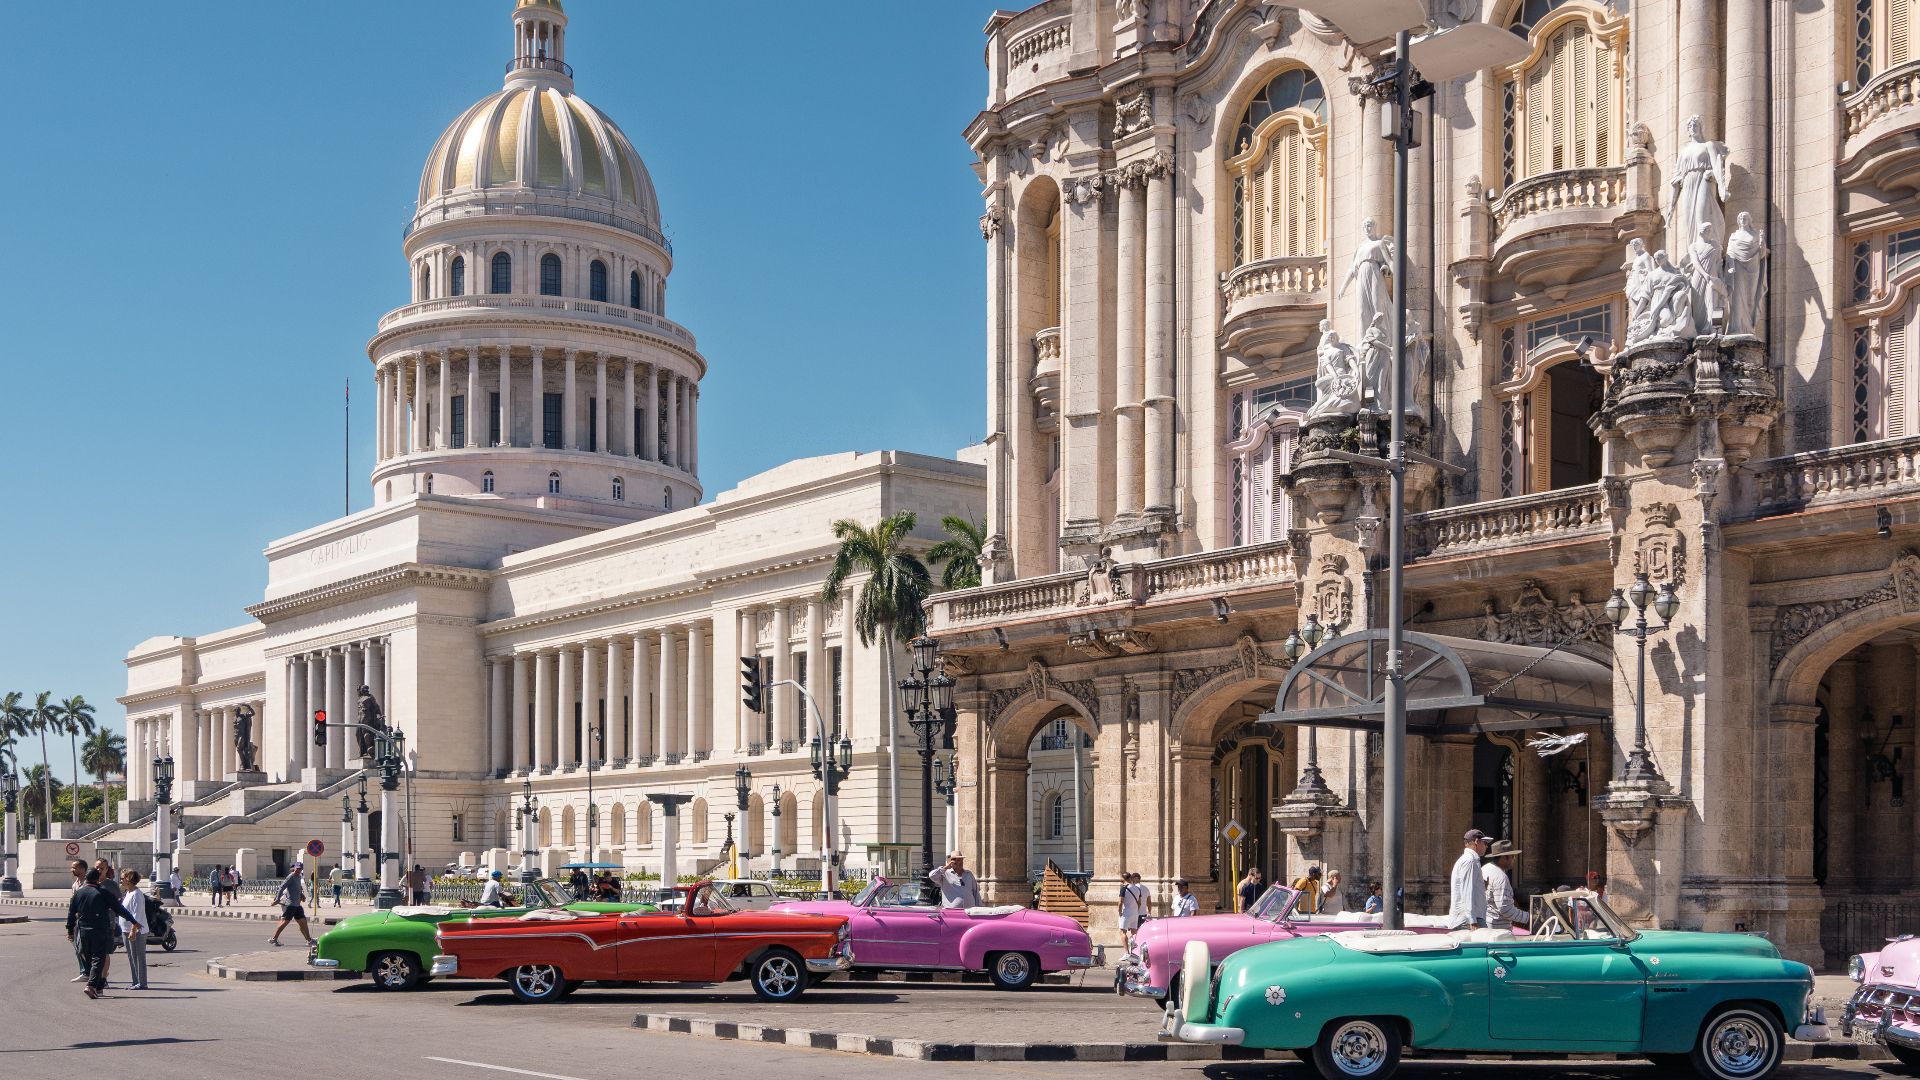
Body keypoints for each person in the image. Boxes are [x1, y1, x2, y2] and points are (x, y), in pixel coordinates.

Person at [67, 868, 139, 999]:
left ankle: (98, 988)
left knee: (90, 959)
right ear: (97, 879)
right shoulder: (103, 893)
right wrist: (133, 921)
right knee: (98, 959)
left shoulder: (78, 894)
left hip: (83, 931)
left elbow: (71, 914)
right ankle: (91, 985)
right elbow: (119, 909)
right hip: (100, 930)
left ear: (86, 879)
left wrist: (69, 931)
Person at [1450, 829, 1491, 930]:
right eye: (1485, 843)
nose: (1486, 846)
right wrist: (1472, 920)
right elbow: (1467, 891)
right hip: (1469, 920)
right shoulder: (1470, 860)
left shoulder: (1469, 860)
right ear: (1476, 841)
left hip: (1470, 918)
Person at [1481, 840, 1527, 930]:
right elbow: (1505, 909)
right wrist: (1529, 917)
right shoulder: (1500, 877)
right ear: (1503, 858)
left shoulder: (1485, 868)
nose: (1514, 859)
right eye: (1512, 857)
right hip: (1498, 929)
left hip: (1486, 923)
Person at [117, 869, 150, 990]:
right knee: (131, 956)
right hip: (126, 929)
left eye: (123, 878)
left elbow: (137, 914)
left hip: (137, 931)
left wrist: (133, 930)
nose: (121, 880)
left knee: (139, 956)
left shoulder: (137, 894)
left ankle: (142, 983)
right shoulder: (128, 892)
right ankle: (135, 981)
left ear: (129, 879)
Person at [269, 862, 313, 947]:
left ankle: (309, 940)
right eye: (297, 868)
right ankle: (274, 939)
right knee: (285, 922)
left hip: (297, 904)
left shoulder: (299, 876)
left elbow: (297, 887)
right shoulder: (291, 877)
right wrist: (277, 899)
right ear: (294, 868)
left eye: (300, 869)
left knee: (303, 922)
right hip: (290, 904)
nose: (298, 870)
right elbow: (282, 887)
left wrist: (302, 895)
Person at [1118, 872, 1149, 948]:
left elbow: (1120, 902)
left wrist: (1119, 911)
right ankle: (1135, 951)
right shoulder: (1137, 888)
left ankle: (1126, 952)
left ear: (1123, 878)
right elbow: (1139, 903)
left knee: (1122, 932)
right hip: (1135, 913)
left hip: (1126, 912)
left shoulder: (1124, 888)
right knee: (1134, 933)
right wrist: (1136, 910)